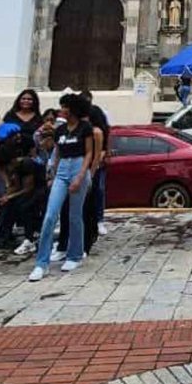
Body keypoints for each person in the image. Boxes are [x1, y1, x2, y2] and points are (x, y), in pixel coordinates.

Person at [30, 93, 99, 281]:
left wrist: (81, 176)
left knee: (74, 215)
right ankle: (41, 263)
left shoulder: (85, 128)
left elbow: (89, 153)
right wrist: (52, 174)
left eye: (64, 107)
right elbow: (57, 153)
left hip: (78, 167)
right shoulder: (60, 131)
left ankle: (75, 254)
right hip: (62, 169)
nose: (61, 110)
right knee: (50, 214)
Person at [79, 90, 112, 237]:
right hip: (81, 159)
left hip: (96, 158)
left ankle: (99, 220)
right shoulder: (76, 117)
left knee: (98, 189)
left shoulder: (96, 114)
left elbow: (106, 132)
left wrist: (105, 152)